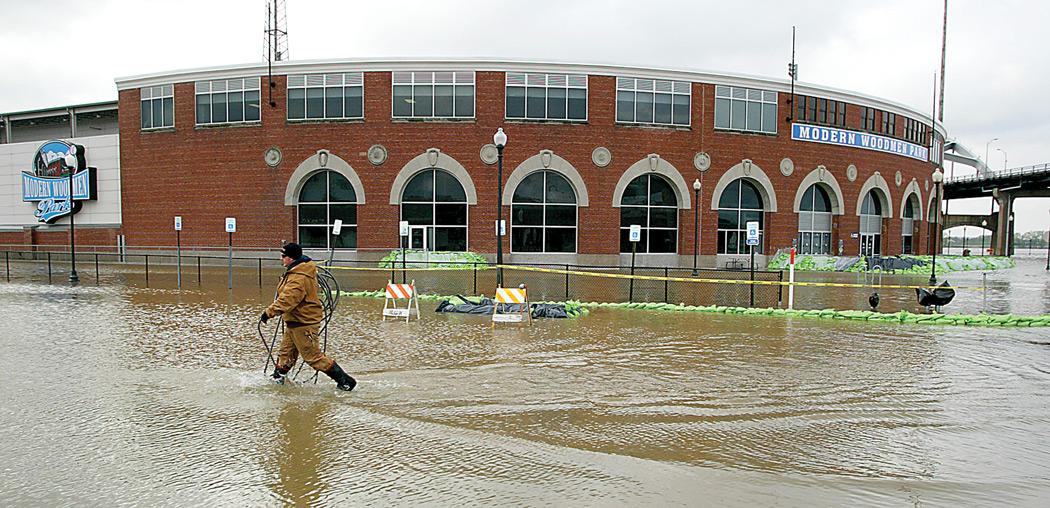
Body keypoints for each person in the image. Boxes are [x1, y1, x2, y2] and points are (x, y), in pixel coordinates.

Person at [261, 242, 356, 391]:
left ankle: (346, 381)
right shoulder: (295, 272)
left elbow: (288, 299)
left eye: (283, 256)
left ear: (291, 258)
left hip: (303, 323)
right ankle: (277, 381)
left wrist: (268, 313)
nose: (281, 259)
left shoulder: (298, 277)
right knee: (286, 354)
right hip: (294, 322)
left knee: (313, 357)